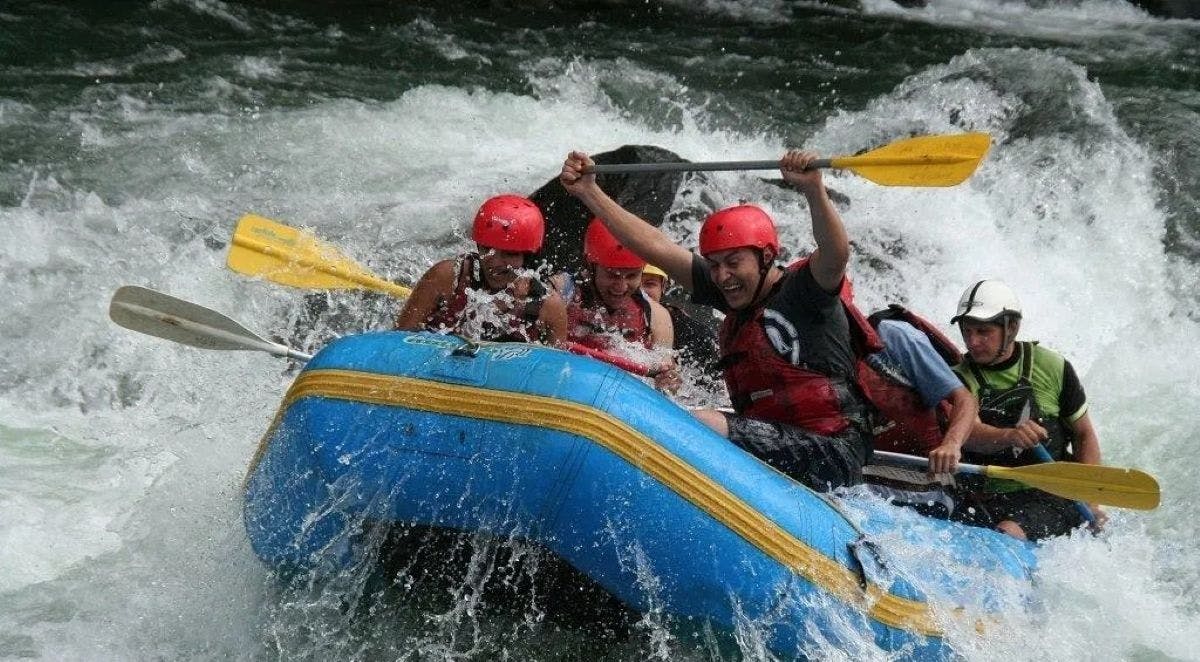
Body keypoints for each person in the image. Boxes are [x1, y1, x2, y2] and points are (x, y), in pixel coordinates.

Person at [560, 149, 871, 492]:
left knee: (703, 424)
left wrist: (814, 189)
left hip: (833, 450)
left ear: (766, 256)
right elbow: (654, 246)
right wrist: (590, 192)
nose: (723, 276)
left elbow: (835, 254)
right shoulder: (728, 290)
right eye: (715, 264)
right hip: (773, 440)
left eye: (734, 262)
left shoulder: (806, 291)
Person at [948, 279, 1103, 541]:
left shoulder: (1052, 366)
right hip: (988, 496)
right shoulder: (959, 378)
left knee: (1008, 532)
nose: (972, 342)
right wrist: (1008, 436)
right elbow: (969, 432)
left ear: (1012, 327)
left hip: (1053, 493)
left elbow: (1083, 435)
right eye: (967, 331)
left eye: (983, 332)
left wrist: (1091, 499)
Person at [396, 194, 567, 345]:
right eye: (486, 249)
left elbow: (555, 372)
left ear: (529, 257)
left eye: (509, 254)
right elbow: (397, 340)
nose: (494, 262)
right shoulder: (447, 277)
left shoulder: (549, 307)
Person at [553, 219, 679, 391]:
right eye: (612, 275)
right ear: (591, 267)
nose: (621, 287)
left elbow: (668, 388)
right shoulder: (561, 291)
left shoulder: (657, 317)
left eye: (632, 276)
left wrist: (667, 382)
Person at [640, 264, 721, 380]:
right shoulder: (606, 317)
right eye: (635, 282)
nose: (641, 292)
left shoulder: (693, 333)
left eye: (649, 284)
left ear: (663, 287)